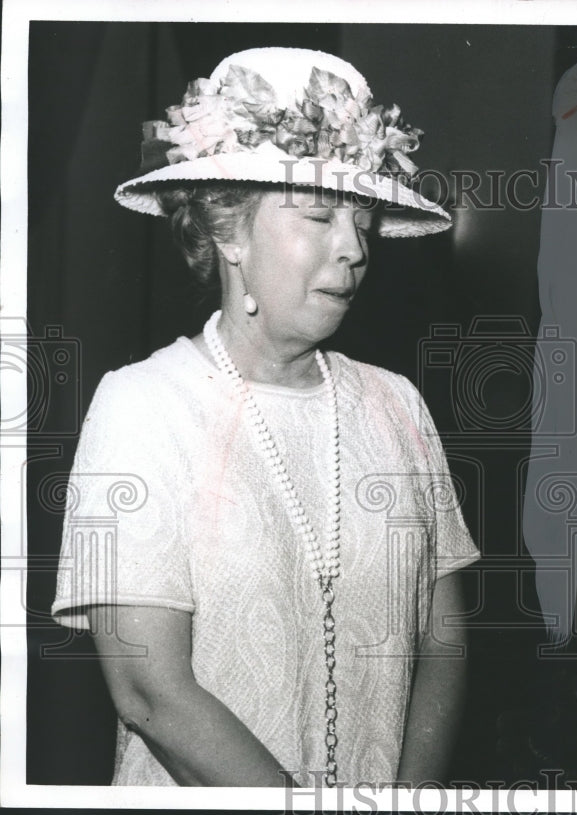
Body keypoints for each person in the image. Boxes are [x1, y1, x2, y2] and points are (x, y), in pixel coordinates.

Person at [51, 47, 480, 787]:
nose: (353, 248)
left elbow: (443, 643)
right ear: (228, 231)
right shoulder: (142, 405)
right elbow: (149, 689)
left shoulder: (398, 405)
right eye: (318, 215)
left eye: (362, 218)